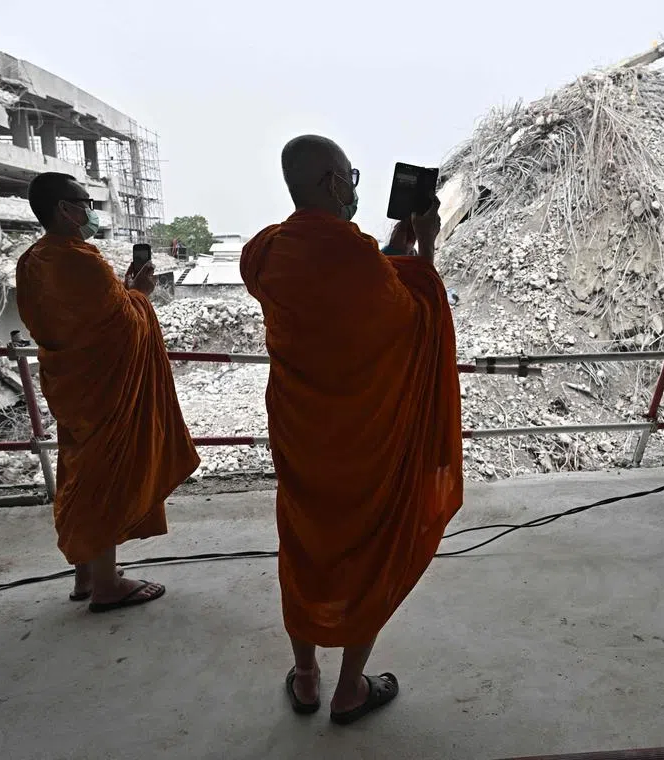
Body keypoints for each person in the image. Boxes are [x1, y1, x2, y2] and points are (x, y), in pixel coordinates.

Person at [241, 136, 463, 725]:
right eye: (350, 176)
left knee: (303, 545)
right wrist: (424, 247)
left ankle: (305, 677)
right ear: (334, 182)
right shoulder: (359, 258)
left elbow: (343, 288)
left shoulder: (264, 252)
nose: (354, 187)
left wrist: (394, 253)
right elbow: (413, 313)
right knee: (367, 551)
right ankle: (349, 690)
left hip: (301, 437)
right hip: (367, 440)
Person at [17, 172, 200, 613]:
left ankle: (86, 572)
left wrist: (123, 292)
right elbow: (124, 327)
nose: (90, 211)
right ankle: (106, 585)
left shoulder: (31, 261)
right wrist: (140, 294)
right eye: (85, 202)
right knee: (103, 478)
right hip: (104, 393)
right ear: (65, 209)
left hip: (71, 387)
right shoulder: (81, 262)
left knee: (79, 473)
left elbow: (74, 321)